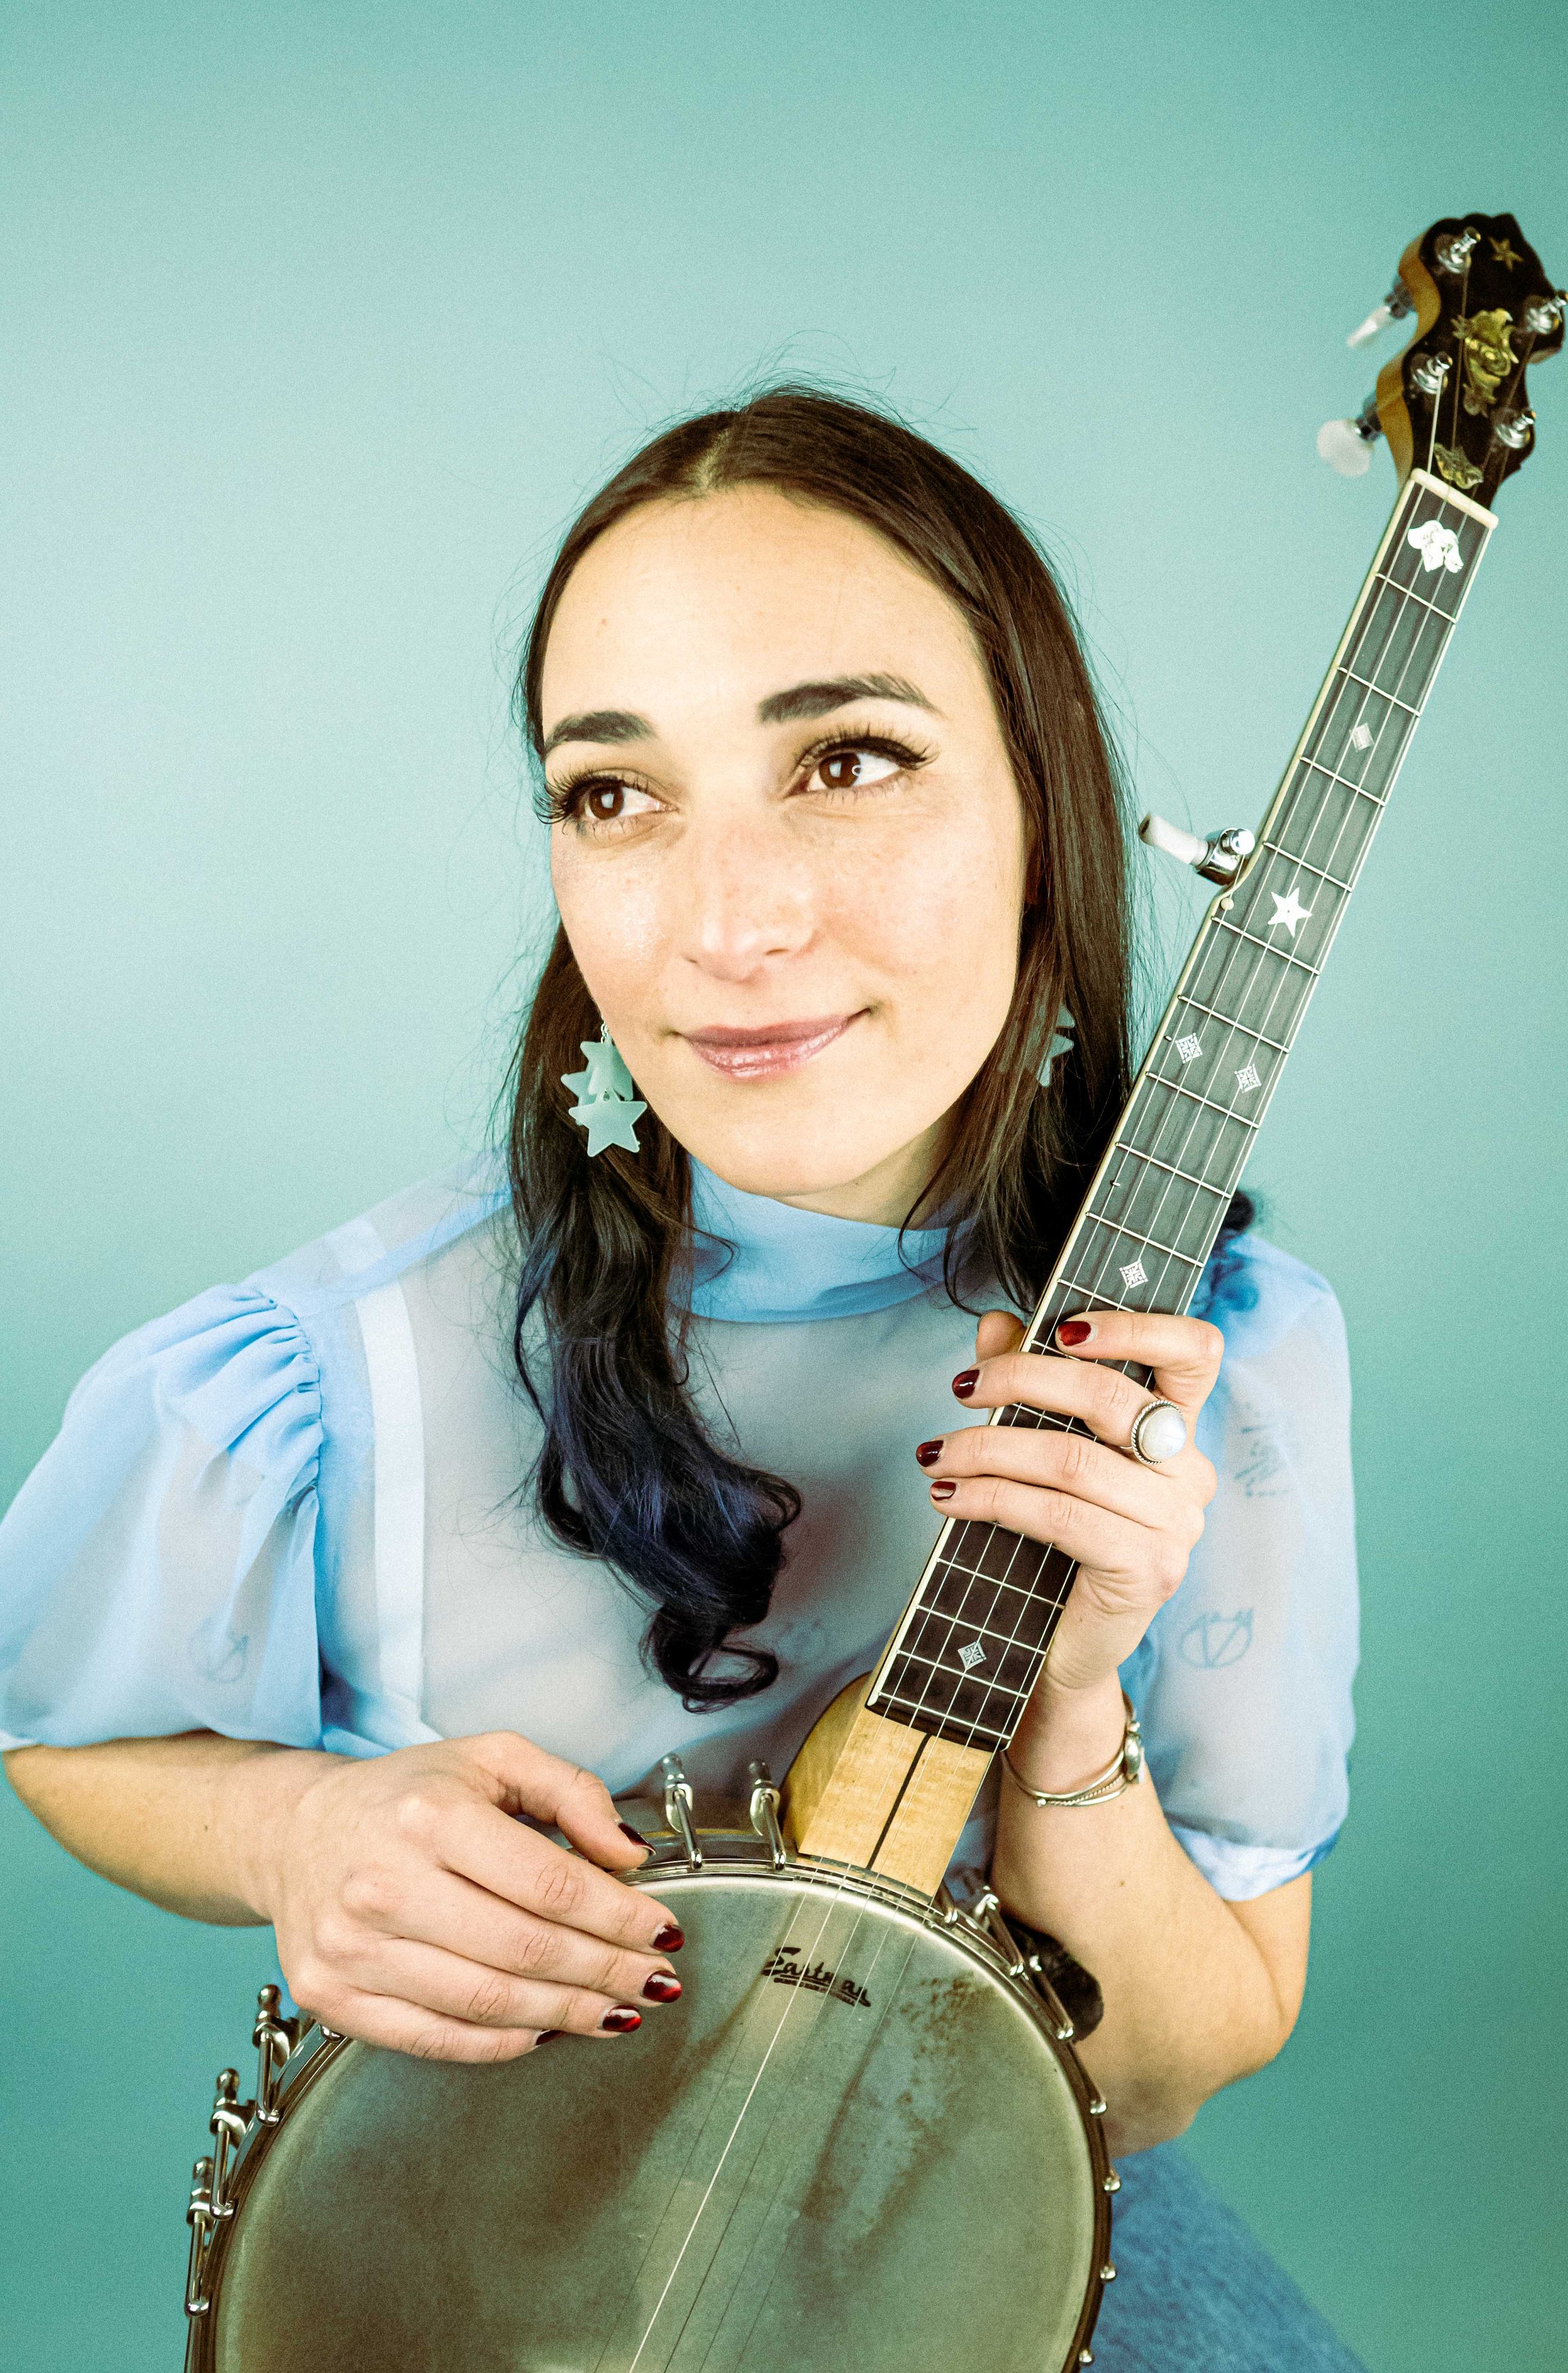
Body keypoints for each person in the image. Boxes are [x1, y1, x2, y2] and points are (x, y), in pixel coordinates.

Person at [0, 388, 1363, 2368]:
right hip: (515, 2267)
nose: (727, 925)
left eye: (847, 760)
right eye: (614, 795)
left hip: (949, 2209)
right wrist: (294, 1832)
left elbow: (1162, 2071)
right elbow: (63, 1735)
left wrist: (1076, 1696)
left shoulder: (1211, 1360)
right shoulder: (335, 1370)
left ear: (1042, 814)